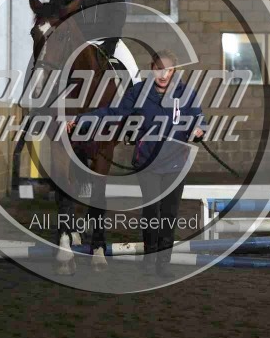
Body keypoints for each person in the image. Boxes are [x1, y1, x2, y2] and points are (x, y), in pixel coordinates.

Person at [66, 50, 205, 278]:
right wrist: (80, 119)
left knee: (169, 214)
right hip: (148, 162)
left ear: (174, 71)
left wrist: (200, 130)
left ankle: (163, 263)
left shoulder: (187, 93)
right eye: (159, 69)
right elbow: (113, 112)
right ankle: (149, 262)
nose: (163, 75)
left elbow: (199, 118)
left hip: (176, 165)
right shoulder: (139, 92)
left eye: (168, 70)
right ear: (152, 68)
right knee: (151, 212)